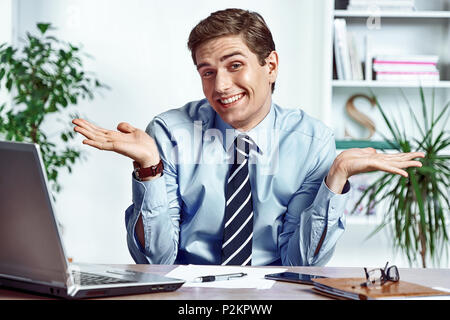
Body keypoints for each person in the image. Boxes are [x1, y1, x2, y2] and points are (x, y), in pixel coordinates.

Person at [72, 8, 424, 266]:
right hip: (189, 297)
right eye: (207, 72)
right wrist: (150, 167)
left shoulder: (311, 141)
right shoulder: (169, 133)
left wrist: (336, 179)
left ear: (270, 66)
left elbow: (300, 263)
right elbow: (156, 261)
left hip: (272, 296)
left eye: (234, 65)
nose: (221, 86)